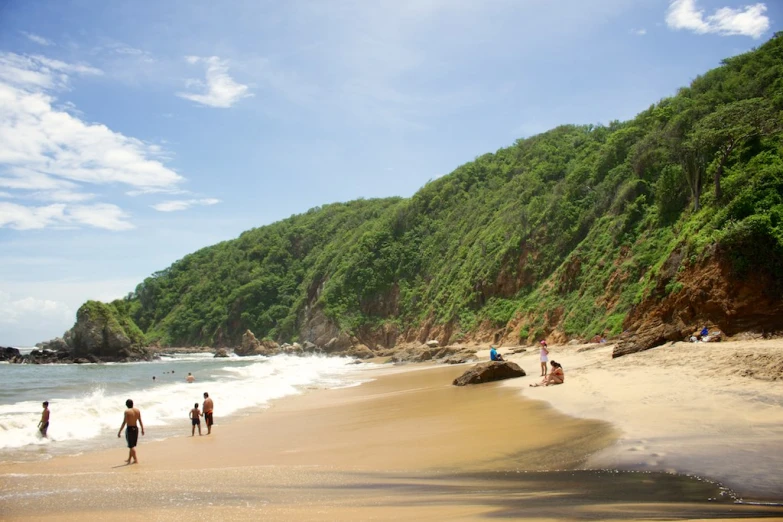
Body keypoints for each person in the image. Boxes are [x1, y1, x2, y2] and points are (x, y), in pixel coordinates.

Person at [117, 399, 144, 464]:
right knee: (131, 445)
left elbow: (124, 422)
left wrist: (119, 431)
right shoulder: (137, 411)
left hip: (129, 429)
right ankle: (129, 459)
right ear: (132, 404)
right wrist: (142, 429)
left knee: (131, 446)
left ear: (126, 405)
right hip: (136, 429)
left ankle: (135, 460)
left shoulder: (127, 412)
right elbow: (140, 420)